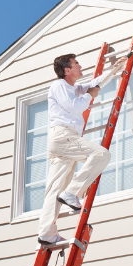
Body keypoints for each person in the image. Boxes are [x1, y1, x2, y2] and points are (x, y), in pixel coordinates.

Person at [37, 53, 126, 245]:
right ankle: (73, 192)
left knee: (55, 189)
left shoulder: (73, 88)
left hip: (61, 140)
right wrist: (89, 96)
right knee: (101, 154)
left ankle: (46, 232)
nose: (80, 66)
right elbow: (75, 106)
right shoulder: (59, 86)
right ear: (67, 70)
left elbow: (94, 84)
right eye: (76, 64)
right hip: (64, 136)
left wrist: (114, 69)